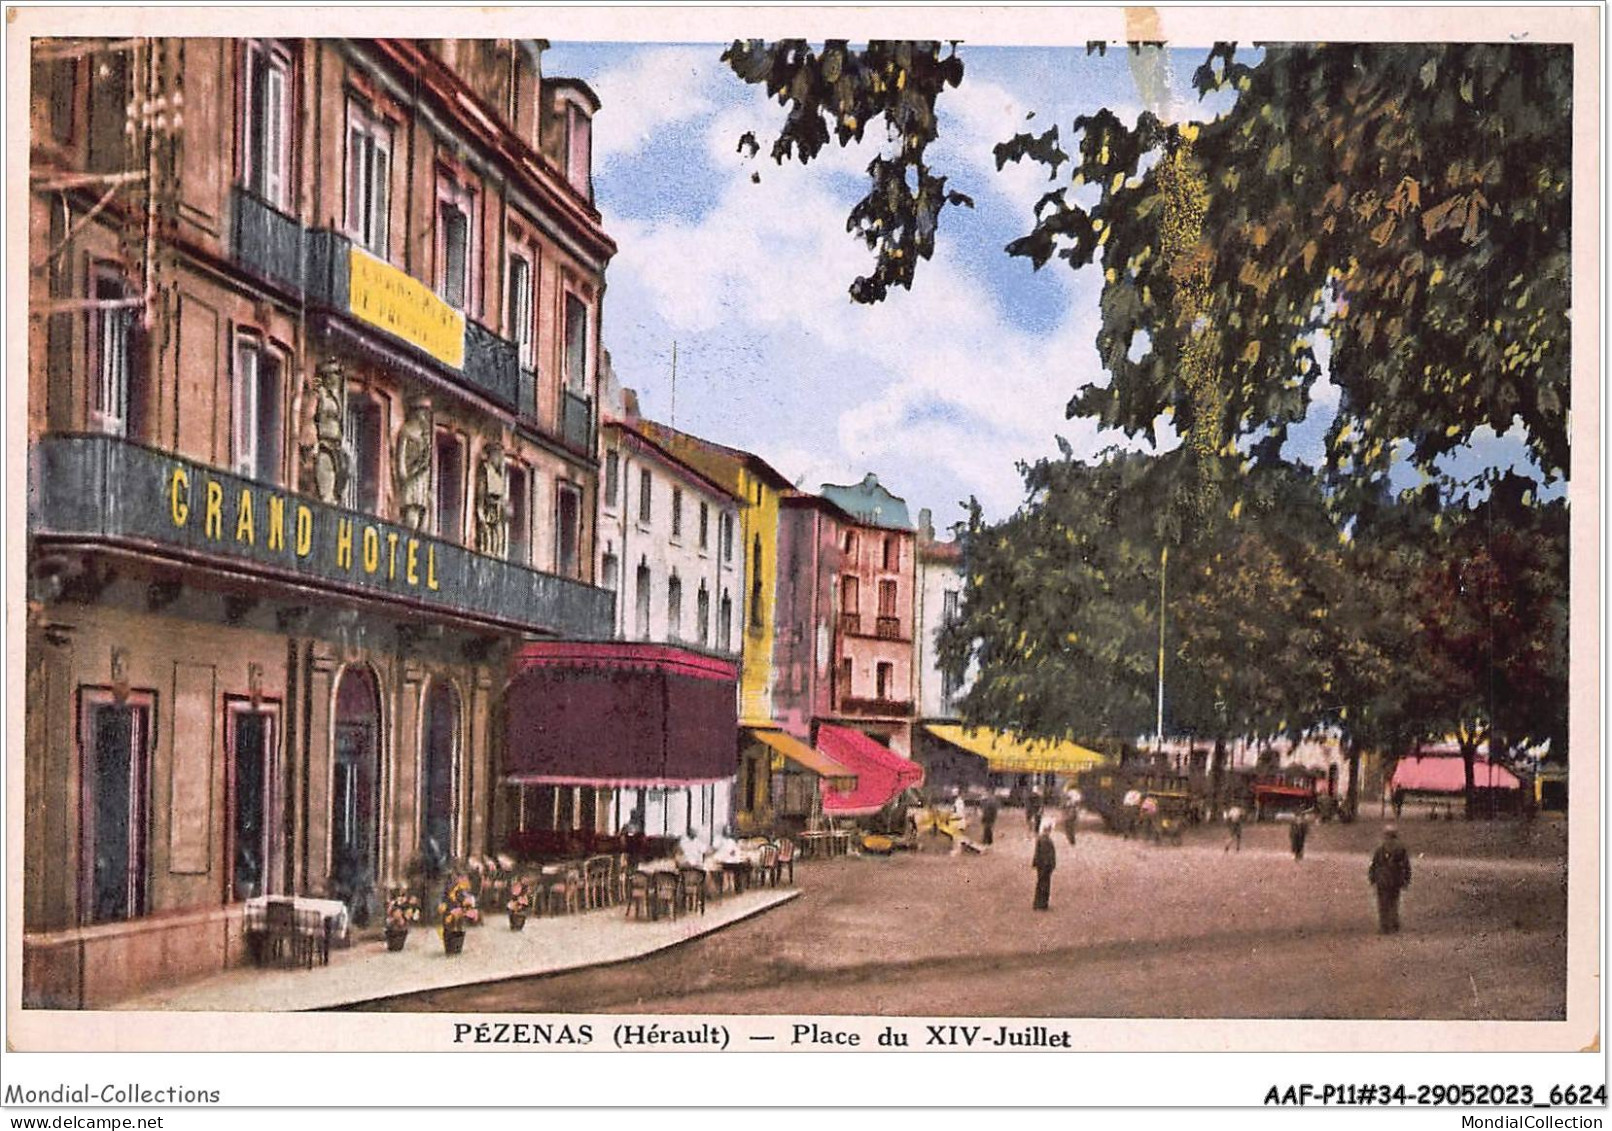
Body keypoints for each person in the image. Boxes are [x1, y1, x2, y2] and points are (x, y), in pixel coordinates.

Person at [1367, 824, 1412, 933]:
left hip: (1382, 879)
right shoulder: (1400, 848)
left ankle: (1384, 926)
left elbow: (1374, 864)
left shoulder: (1380, 848)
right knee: (1394, 902)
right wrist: (1406, 879)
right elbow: (1406, 865)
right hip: (1395, 879)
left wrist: (1372, 877)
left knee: (1383, 903)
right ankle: (1394, 923)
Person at [1031, 818, 1057, 911]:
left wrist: (1035, 863)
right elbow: (1047, 855)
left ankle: (1038, 903)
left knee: (1041, 883)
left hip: (1040, 865)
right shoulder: (1045, 840)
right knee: (1044, 884)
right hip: (1045, 866)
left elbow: (1037, 853)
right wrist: (1050, 865)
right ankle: (1042, 904)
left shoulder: (1041, 838)